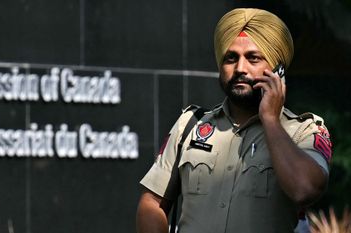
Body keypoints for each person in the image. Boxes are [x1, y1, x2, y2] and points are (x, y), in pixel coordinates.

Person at [136, 8, 332, 233]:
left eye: (253, 58)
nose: (240, 69)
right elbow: (152, 202)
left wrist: (270, 118)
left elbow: (304, 188)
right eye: (231, 58)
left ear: (278, 71)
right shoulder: (190, 125)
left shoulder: (304, 132)